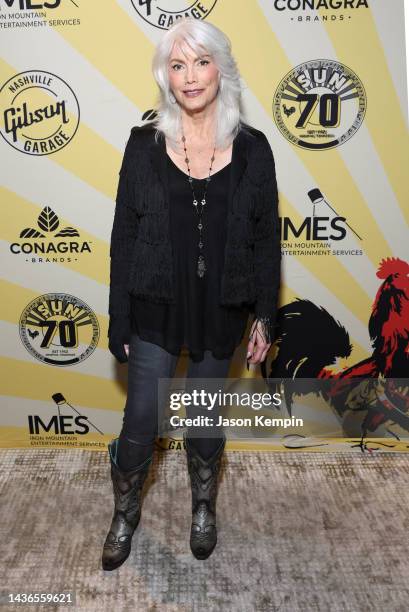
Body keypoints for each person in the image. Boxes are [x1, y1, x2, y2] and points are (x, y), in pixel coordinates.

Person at [102, 17, 281, 571]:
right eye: (177, 66)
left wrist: (264, 317)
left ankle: (203, 504)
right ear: (166, 77)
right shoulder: (142, 145)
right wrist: (118, 317)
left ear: (220, 69)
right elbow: (124, 237)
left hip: (220, 311)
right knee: (140, 424)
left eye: (201, 62)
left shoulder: (253, 149)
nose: (190, 76)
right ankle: (126, 510)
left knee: (205, 423)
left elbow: (263, 239)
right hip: (155, 307)